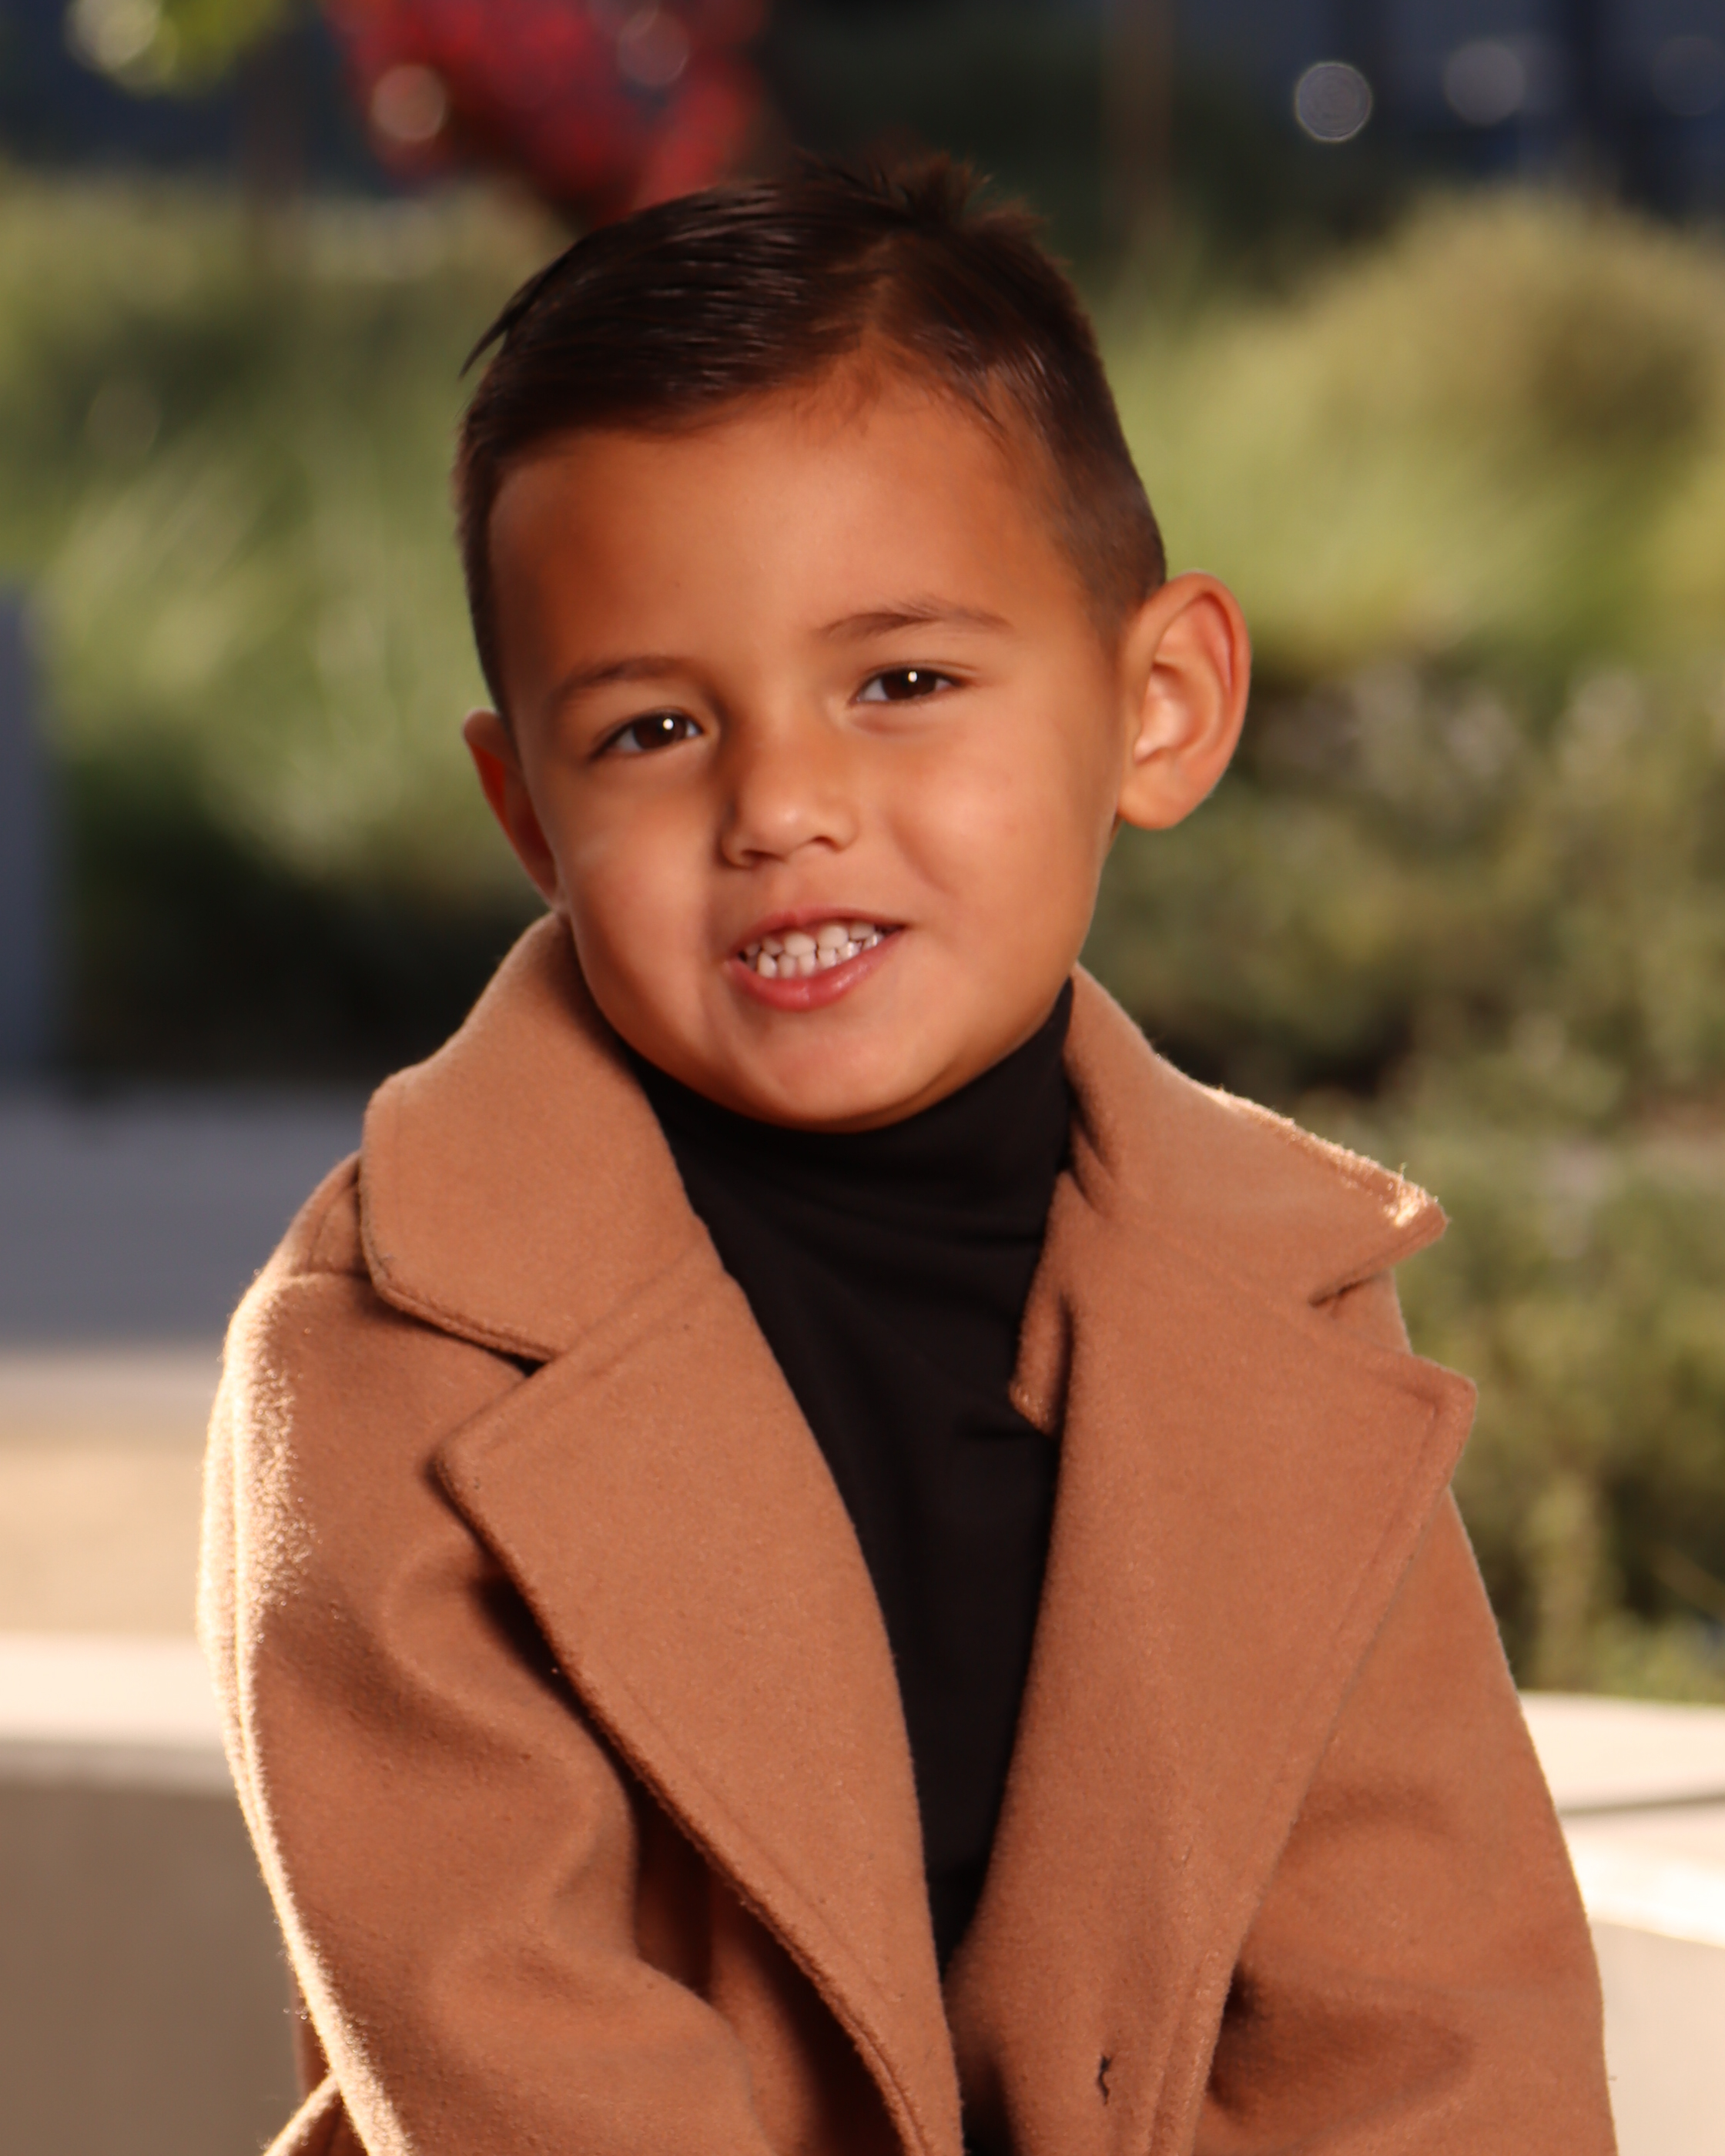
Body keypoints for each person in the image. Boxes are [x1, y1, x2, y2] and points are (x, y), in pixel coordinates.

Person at [199, 160, 1614, 2156]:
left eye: (902, 684)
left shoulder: (1287, 1303)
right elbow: (524, 2066)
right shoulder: (384, 1357)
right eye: (652, 731)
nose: (783, 803)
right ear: (528, 816)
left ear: (1160, 705)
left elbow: (1438, 2037)